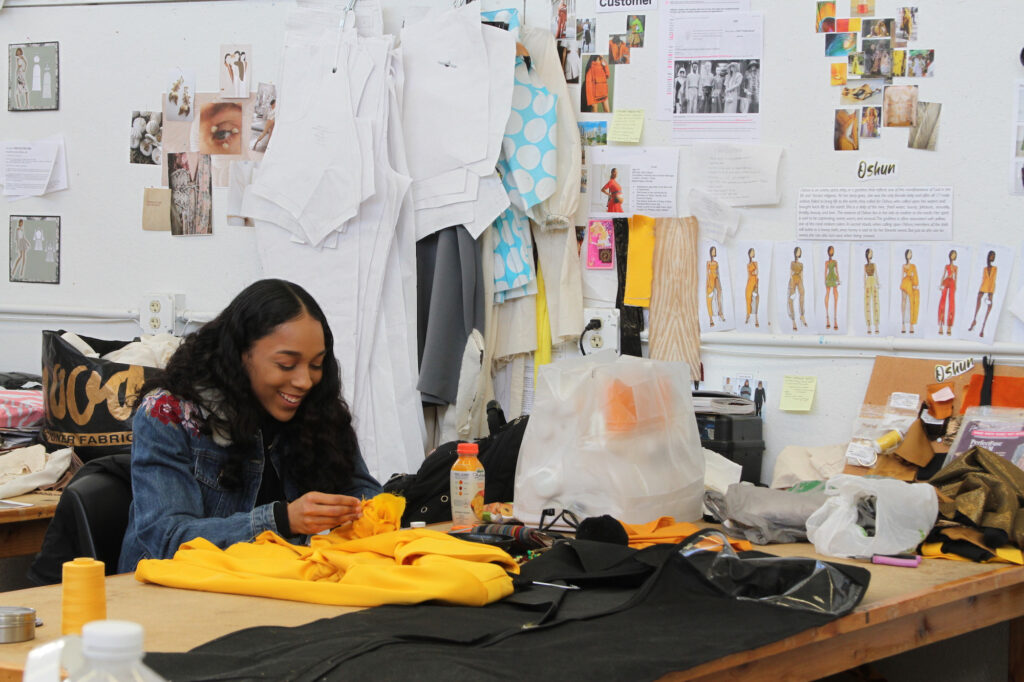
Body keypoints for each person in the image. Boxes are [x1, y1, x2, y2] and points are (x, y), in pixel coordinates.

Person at [119, 279, 382, 572]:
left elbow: (360, 490)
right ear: (241, 354)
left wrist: (369, 512)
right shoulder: (167, 414)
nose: (305, 381)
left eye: (316, 365)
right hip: (171, 593)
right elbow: (168, 540)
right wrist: (282, 520)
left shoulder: (317, 408)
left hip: (278, 584)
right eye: (286, 364)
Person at [969, 251, 997, 337]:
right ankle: (974, 320)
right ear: (988, 257)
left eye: (993, 256)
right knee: (978, 298)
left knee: (990, 304)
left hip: (991, 286)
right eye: (991, 256)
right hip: (984, 285)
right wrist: (981, 289)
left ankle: (983, 327)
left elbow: (993, 280)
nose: (992, 257)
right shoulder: (985, 269)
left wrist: (991, 291)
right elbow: (984, 278)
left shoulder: (995, 268)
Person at [937, 250, 957, 336]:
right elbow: (943, 275)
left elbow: (956, 278)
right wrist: (941, 284)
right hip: (946, 282)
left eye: (954, 255)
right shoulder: (947, 266)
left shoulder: (956, 267)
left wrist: (955, 286)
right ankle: (941, 324)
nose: (953, 256)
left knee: (951, 303)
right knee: (942, 302)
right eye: (952, 255)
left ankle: (949, 326)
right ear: (950, 256)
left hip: (952, 283)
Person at [900, 248, 920, 334]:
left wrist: (916, 285)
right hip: (905, 284)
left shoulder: (913, 266)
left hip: (911, 284)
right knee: (904, 302)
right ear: (906, 255)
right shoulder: (903, 266)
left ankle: (911, 324)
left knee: (912, 303)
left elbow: (915, 276)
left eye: (911, 253)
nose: (910, 255)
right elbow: (902, 276)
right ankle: (903, 323)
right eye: (909, 253)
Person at [788, 246, 806, 331]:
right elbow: (790, 274)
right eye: (798, 251)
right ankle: (793, 320)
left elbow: (802, 275)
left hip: (799, 279)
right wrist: (792, 284)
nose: (799, 253)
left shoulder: (801, 264)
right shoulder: (792, 263)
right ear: (795, 252)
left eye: (800, 251)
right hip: (793, 279)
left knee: (802, 294)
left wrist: (801, 283)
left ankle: (802, 315)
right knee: (791, 298)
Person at [705, 245, 725, 326]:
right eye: (713, 251)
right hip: (710, 279)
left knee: (720, 293)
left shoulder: (716, 263)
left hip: (716, 278)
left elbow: (718, 272)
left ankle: (720, 312)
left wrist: (719, 281)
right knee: (709, 298)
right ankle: (710, 319)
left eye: (715, 251)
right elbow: (707, 273)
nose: (714, 252)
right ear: (710, 252)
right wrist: (708, 283)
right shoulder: (708, 262)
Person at [823, 245, 840, 331]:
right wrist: (824, 280)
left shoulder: (835, 261)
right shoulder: (827, 262)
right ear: (828, 252)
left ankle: (835, 319)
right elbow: (825, 271)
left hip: (834, 277)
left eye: (832, 250)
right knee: (828, 294)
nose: (832, 252)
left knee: (836, 296)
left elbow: (837, 271)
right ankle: (827, 318)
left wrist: (839, 279)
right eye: (831, 250)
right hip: (829, 278)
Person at [863, 248, 880, 334]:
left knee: (875, 302)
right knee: (867, 304)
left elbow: (876, 274)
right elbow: (864, 276)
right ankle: (869, 326)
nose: (871, 254)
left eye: (872, 253)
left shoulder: (874, 264)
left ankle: (876, 324)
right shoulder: (865, 266)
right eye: (870, 253)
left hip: (873, 281)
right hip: (868, 282)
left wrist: (878, 283)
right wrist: (864, 284)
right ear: (867, 254)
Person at [745, 247, 759, 327]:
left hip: (755, 281)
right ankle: (748, 315)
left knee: (756, 298)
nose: (753, 253)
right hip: (749, 282)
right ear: (749, 254)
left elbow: (756, 272)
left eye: (754, 252)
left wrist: (756, 284)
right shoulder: (748, 264)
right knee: (748, 298)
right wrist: (753, 273)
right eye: (752, 252)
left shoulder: (755, 263)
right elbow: (749, 274)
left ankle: (756, 318)